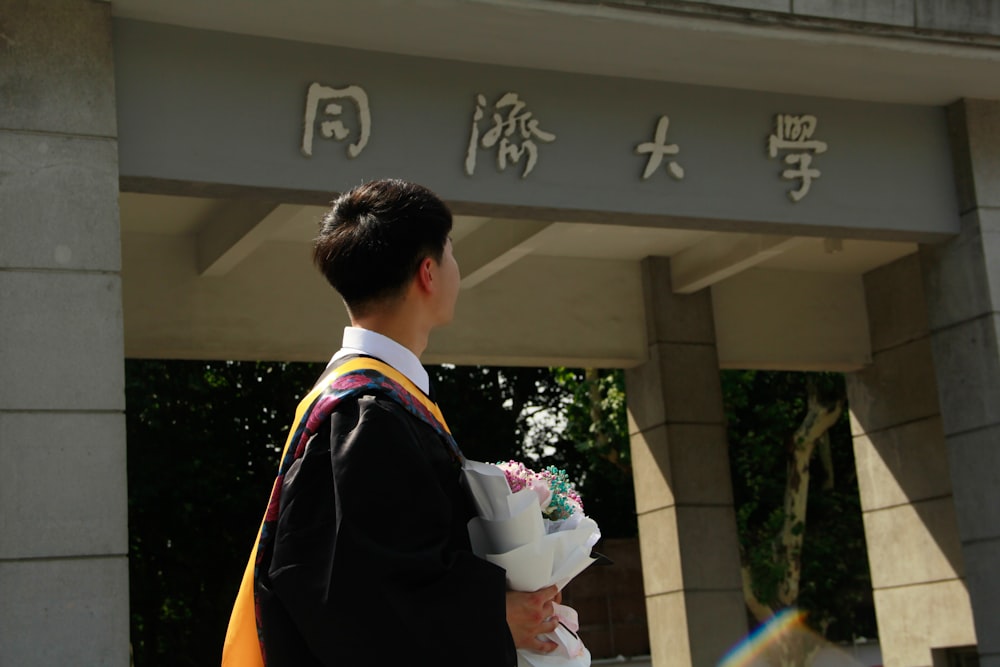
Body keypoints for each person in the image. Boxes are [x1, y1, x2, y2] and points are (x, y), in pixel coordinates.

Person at [223, 179, 562, 666]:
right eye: (450, 254)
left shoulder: (369, 402)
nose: (456, 270)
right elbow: (354, 599)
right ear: (428, 272)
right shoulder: (365, 414)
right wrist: (493, 616)